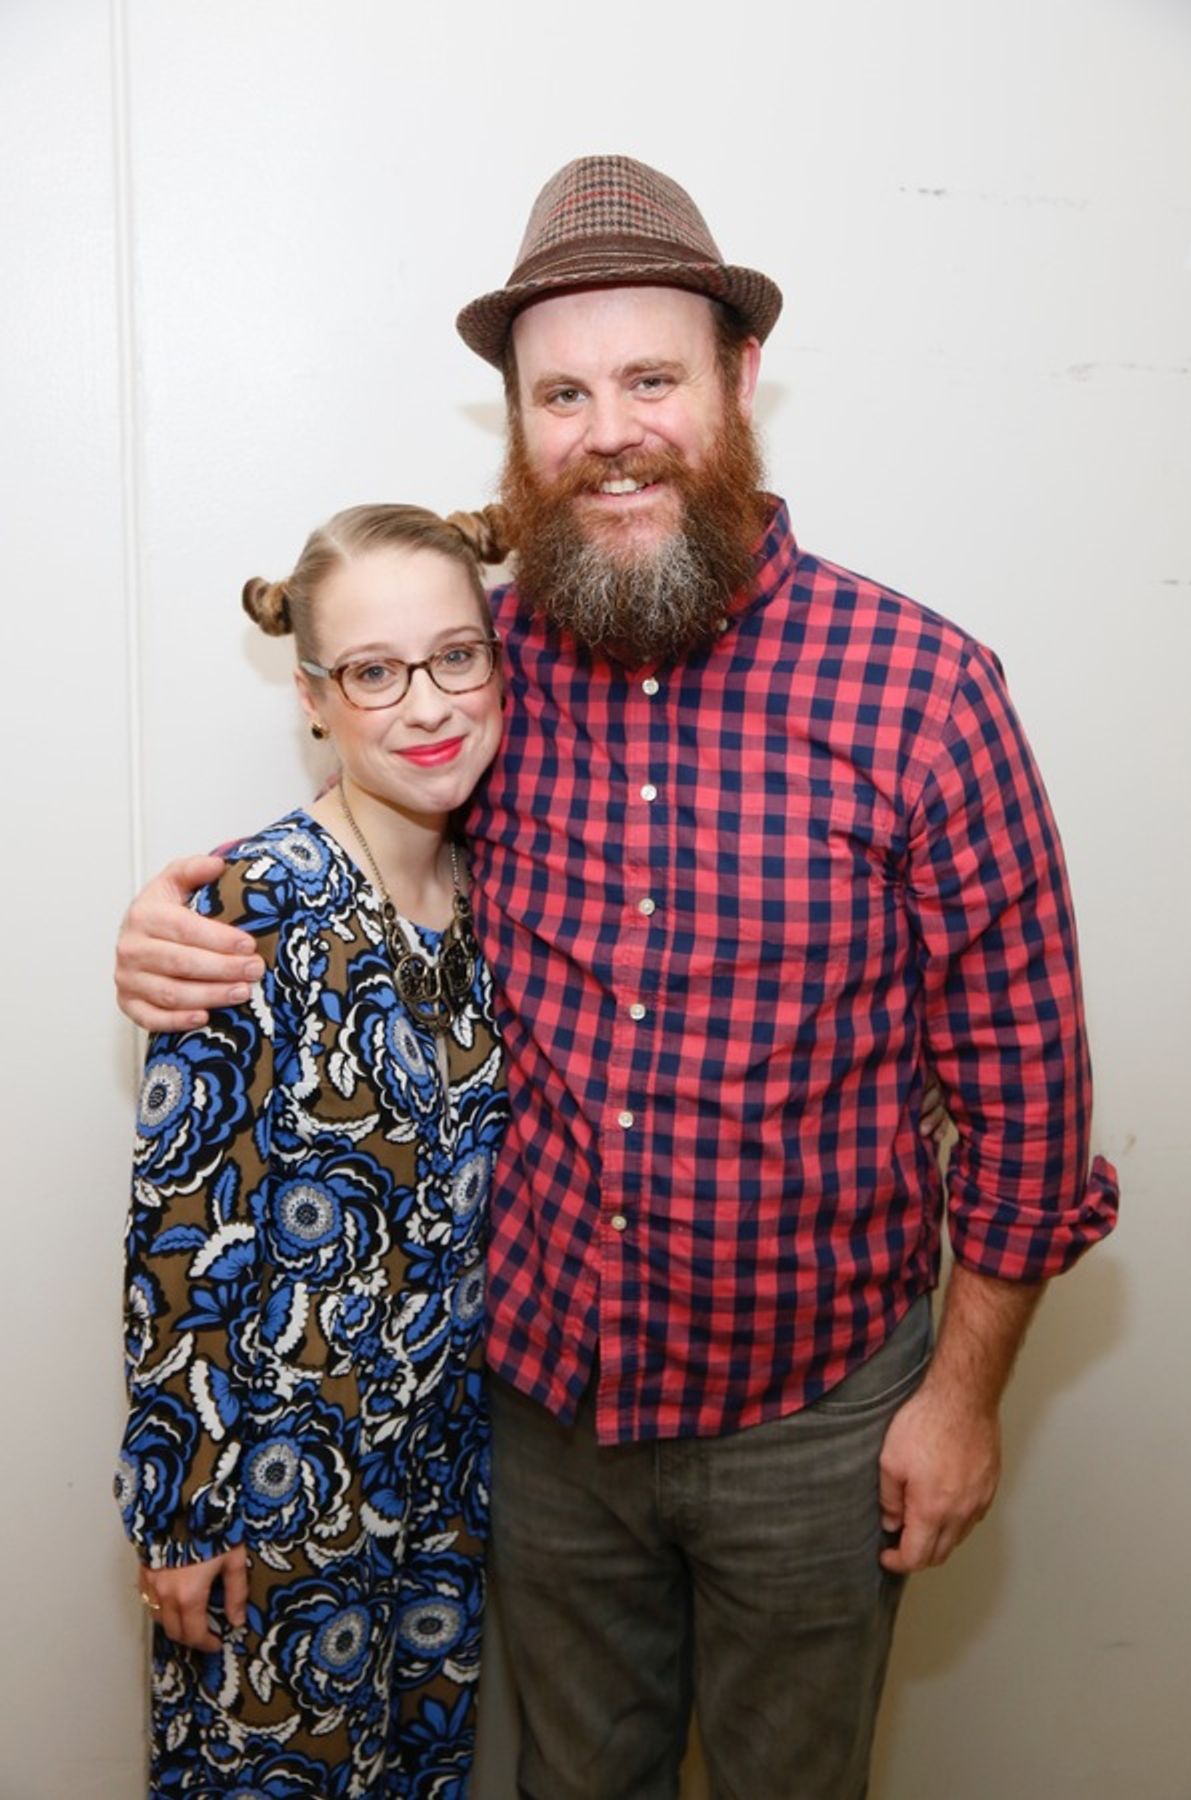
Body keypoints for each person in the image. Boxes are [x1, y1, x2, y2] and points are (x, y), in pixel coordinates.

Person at [115, 158, 1118, 1799]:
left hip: (817, 1426)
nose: (611, 427)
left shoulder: (921, 693)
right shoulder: (488, 666)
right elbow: (366, 814)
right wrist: (166, 923)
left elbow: (1028, 1101)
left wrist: (961, 1398)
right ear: (517, 426)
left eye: (651, 378)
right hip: (542, 1422)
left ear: (734, 385)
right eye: (562, 393)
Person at [115, 504, 508, 1796]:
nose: (427, 704)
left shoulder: (496, 900)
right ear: (315, 701)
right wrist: (176, 1515)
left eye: (457, 656)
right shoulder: (247, 906)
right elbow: (179, 1231)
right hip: (275, 1513)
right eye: (375, 672)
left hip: (442, 1489)